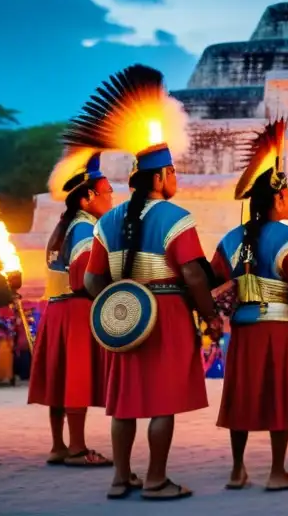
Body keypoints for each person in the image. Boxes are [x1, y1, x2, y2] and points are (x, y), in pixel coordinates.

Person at [76, 65, 223, 501]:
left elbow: (90, 278)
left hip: (125, 317)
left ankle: (121, 478)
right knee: (161, 403)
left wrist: (117, 308)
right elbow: (195, 274)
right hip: (168, 315)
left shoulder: (108, 220)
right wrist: (211, 316)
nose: (176, 179)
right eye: (173, 172)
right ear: (159, 178)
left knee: (123, 403)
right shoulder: (177, 219)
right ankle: (157, 480)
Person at [210, 119, 288, 492]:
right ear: (276, 199)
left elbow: (213, 279)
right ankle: (276, 472)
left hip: (242, 329)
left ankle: (237, 470)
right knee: (279, 395)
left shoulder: (229, 239)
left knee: (240, 395)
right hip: (280, 328)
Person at [28, 152, 114, 467]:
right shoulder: (84, 229)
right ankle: (77, 449)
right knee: (75, 376)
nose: (111, 198)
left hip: (56, 310)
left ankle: (59, 446)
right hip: (76, 310)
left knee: (60, 378)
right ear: (87, 198)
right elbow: (82, 276)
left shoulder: (66, 226)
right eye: (106, 192)